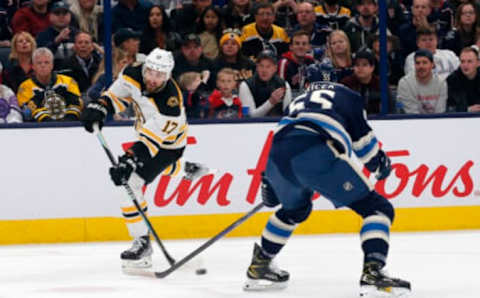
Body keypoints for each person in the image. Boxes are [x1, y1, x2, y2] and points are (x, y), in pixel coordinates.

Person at [242, 81, 411, 297]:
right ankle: (373, 273)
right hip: (315, 150)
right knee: (378, 209)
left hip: (276, 156)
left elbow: (282, 135)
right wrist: (379, 164)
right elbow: (363, 143)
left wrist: (269, 179)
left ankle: (260, 265)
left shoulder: (297, 100)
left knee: (295, 210)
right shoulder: (348, 96)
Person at [80, 48, 208, 269]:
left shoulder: (171, 104)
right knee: (141, 173)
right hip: (143, 134)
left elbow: (150, 144)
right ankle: (185, 168)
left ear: (167, 76)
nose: (152, 78)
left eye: (159, 75)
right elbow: (117, 96)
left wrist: (129, 160)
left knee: (127, 184)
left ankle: (142, 242)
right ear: (144, 66)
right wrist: (100, 107)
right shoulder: (133, 72)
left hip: (167, 145)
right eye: (150, 71)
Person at [17, 47, 82, 122]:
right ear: (33, 66)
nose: (43, 66)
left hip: (69, 124)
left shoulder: (68, 81)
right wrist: (49, 123)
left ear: (52, 65)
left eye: (46, 62)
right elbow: (28, 111)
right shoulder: (25, 87)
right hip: (39, 128)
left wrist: (67, 122)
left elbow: (77, 103)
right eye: (39, 63)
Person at [239, 50, 292, 117]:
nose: (264, 70)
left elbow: (288, 114)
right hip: (253, 126)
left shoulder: (284, 85)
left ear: (275, 68)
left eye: (268, 66)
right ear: (257, 67)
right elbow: (249, 117)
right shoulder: (246, 85)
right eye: (261, 66)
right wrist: (271, 102)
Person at [397, 49, 447, 114]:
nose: (421, 66)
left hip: (435, 122)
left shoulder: (441, 83)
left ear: (432, 65)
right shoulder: (405, 83)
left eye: (425, 62)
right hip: (412, 121)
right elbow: (412, 113)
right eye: (417, 63)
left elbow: (440, 112)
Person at [446, 46, 480, 112]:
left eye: (469, 61)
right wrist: (467, 110)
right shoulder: (452, 80)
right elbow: (448, 108)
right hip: (461, 118)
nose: (465, 65)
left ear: (478, 63)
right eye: (462, 61)